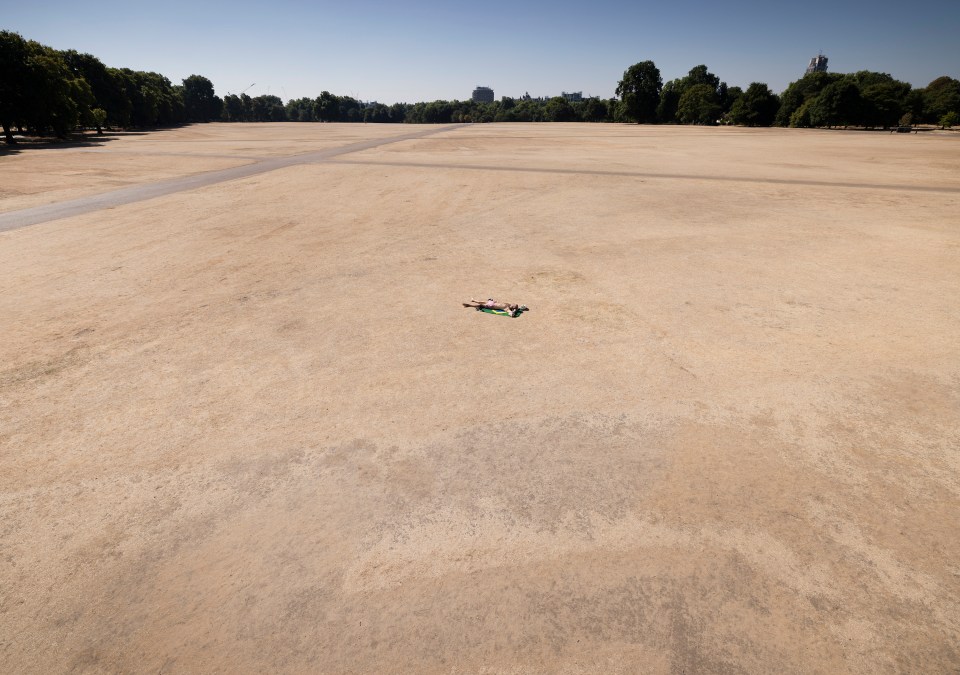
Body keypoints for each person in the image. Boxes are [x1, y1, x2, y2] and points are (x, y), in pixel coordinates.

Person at [462, 298, 526, 317]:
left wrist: (512, 313)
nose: (513, 303)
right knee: (480, 302)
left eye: (514, 305)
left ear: (513, 307)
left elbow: (510, 313)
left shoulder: (507, 308)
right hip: (493, 303)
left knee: (481, 305)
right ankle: (473, 300)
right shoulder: (508, 304)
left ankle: (469, 305)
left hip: (492, 306)